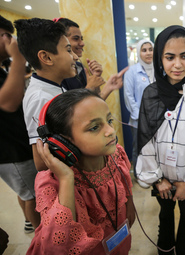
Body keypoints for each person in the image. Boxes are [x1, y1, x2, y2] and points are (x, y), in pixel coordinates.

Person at [136, 25, 185, 255]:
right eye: (170, 57)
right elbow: (145, 140)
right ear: (160, 58)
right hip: (162, 175)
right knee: (165, 214)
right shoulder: (151, 93)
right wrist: (157, 179)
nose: (178, 65)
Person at [27, 89, 135, 254]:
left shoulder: (116, 154)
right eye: (94, 127)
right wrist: (66, 179)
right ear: (62, 142)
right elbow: (56, 248)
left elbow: (127, 194)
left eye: (109, 120)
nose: (111, 131)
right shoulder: (51, 182)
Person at [14, 18, 126, 172]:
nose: (75, 56)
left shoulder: (56, 87)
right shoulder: (41, 98)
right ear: (46, 57)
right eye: (68, 50)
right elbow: (41, 162)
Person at [0, 15, 40, 233]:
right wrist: (18, 58)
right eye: (4, 36)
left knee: (26, 191)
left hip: (17, 145)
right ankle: (42, 236)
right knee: (32, 194)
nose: (9, 40)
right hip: (11, 150)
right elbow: (8, 102)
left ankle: (30, 222)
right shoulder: (13, 61)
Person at [55, 17, 117, 100]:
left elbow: (95, 100)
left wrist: (95, 77)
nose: (82, 43)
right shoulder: (58, 73)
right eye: (76, 38)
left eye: (82, 39)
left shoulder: (80, 67)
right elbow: (68, 111)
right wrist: (90, 87)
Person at [123, 39, 155, 188]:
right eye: (144, 50)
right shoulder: (132, 71)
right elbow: (129, 97)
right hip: (138, 120)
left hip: (156, 119)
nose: (148, 53)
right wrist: (141, 116)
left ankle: (152, 172)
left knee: (154, 148)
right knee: (139, 148)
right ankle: (139, 174)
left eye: (150, 49)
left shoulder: (159, 69)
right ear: (139, 52)